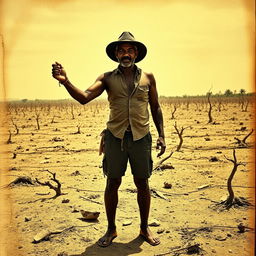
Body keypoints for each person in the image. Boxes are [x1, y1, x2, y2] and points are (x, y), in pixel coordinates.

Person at [52, 31, 166, 247]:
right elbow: (84, 97)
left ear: (136, 53)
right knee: (113, 182)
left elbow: (156, 106)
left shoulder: (148, 77)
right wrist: (66, 81)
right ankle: (111, 229)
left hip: (142, 137)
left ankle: (144, 227)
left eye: (130, 50)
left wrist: (161, 135)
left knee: (142, 182)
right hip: (115, 137)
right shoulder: (106, 78)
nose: (126, 54)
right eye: (122, 50)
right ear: (116, 54)